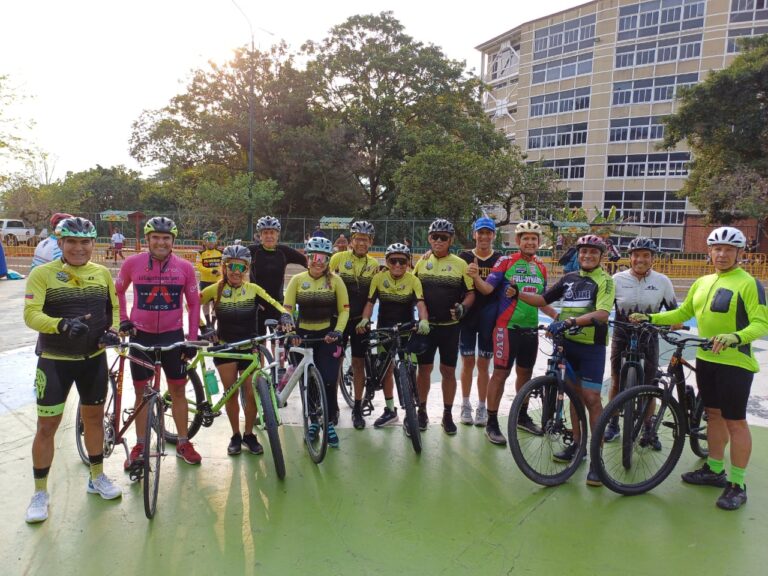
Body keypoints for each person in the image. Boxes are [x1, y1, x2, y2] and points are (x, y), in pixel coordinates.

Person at [630, 226, 768, 510]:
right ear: (709, 251)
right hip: (707, 358)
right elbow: (683, 313)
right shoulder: (702, 282)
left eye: (729, 249)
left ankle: (738, 483)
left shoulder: (749, 283)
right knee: (714, 417)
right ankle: (715, 470)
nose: (722, 254)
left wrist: (735, 337)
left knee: (735, 421)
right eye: (717, 248)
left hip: (735, 363)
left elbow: (761, 323)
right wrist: (651, 317)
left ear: (739, 253)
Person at [23, 217, 122, 523]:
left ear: (93, 244)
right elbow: (30, 314)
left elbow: (113, 309)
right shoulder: (43, 274)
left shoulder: (102, 272)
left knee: (93, 420)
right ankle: (40, 492)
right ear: (61, 243)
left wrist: (112, 331)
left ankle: (96, 477)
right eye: (72, 242)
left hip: (93, 360)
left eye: (85, 242)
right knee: (46, 427)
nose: (79, 248)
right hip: (55, 361)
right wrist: (61, 325)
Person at [510, 234, 615, 486]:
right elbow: (543, 300)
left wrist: (569, 321)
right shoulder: (568, 279)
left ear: (601, 256)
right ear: (578, 255)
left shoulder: (605, 280)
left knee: (591, 399)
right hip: (568, 344)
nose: (587, 256)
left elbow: (601, 313)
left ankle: (597, 461)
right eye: (583, 252)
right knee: (574, 396)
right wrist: (517, 294)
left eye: (593, 252)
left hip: (591, 347)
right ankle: (578, 448)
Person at [116, 216, 203, 467]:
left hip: (173, 336)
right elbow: (118, 290)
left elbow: (195, 303)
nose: (161, 242)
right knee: (141, 393)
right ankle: (140, 444)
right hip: (140, 336)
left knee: (177, 390)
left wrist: (192, 339)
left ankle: (184, 442)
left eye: (166, 238)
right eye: (156, 237)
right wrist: (123, 319)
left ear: (173, 240)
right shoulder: (133, 263)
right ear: (147, 240)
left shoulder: (185, 268)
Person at [200, 245, 294, 456]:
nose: (235, 271)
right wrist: (203, 327)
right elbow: (192, 303)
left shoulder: (253, 289)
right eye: (231, 266)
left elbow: (275, 303)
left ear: (247, 269)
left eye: (240, 268)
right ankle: (235, 435)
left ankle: (249, 434)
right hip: (225, 349)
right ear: (224, 267)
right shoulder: (215, 289)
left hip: (250, 349)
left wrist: (285, 315)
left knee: (251, 396)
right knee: (231, 395)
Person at [470, 221, 557, 446]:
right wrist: (475, 277)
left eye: (534, 239)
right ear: (518, 241)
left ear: (539, 243)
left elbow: (542, 301)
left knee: (525, 376)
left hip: (530, 329)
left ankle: (521, 416)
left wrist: (559, 318)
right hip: (506, 329)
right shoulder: (506, 261)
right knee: (500, 374)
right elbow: (488, 289)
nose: (530, 242)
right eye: (525, 238)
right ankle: (491, 422)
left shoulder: (541, 267)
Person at [604, 237, 678, 444]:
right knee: (616, 381)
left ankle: (648, 429)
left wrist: (674, 323)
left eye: (646, 255)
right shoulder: (616, 279)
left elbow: (674, 311)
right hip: (622, 334)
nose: (640, 259)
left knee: (650, 384)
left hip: (649, 336)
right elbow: (603, 307)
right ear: (630, 257)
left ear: (653, 258)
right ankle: (613, 424)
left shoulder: (662, 281)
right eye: (636, 255)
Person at [283, 236, 349, 447]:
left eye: (323, 258)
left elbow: (344, 311)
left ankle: (328, 423)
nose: (318, 261)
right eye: (314, 257)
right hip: (302, 337)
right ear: (308, 257)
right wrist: (291, 330)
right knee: (309, 382)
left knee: (329, 380)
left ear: (328, 260)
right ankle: (313, 422)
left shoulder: (336, 281)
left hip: (327, 337)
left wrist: (338, 332)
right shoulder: (297, 280)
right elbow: (288, 309)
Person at [357, 243, 430, 428]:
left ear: (408, 263)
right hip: (384, 329)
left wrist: (423, 320)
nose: (397, 265)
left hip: (406, 329)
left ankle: (413, 411)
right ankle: (390, 410)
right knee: (386, 370)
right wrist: (365, 318)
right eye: (393, 261)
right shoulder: (379, 278)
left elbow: (421, 304)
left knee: (410, 368)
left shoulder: (413, 280)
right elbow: (370, 302)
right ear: (387, 262)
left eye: (402, 261)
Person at [413, 218, 475, 435]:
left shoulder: (460, 264)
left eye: (443, 237)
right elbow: (412, 288)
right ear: (429, 238)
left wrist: (462, 308)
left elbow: (470, 293)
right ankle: (421, 411)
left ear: (451, 240)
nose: (438, 241)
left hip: (450, 328)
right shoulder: (422, 263)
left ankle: (447, 414)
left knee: (448, 371)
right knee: (424, 370)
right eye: (434, 237)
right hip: (426, 327)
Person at [329, 220, 380, 429]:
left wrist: (366, 319)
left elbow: (373, 296)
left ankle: (358, 408)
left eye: (365, 240)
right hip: (338, 319)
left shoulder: (374, 265)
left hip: (360, 321)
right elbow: (326, 284)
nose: (361, 243)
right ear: (351, 240)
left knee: (359, 364)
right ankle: (332, 406)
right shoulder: (338, 259)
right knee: (335, 363)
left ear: (371, 242)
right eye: (358, 238)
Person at [456, 217, 504, 427]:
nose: (484, 236)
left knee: (484, 364)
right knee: (467, 362)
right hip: (468, 316)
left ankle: (482, 406)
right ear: (474, 234)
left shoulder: (501, 259)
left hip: (489, 317)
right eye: (480, 232)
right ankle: (465, 404)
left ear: (494, 235)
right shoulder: (464, 256)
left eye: (488, 233)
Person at [247, 216, 307, 336]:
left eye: (272, 233)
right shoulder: (252, 251)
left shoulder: (283, 251)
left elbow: (307, 262)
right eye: (265, 233)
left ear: (277, 235)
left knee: (280, 341)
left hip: (278, 304)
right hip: (258, 305)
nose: (269, 236)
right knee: (259, 343)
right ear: (260, 235)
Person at [195, 231, 223, 326]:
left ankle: (213, 324)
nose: (211, 242)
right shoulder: (201, 253)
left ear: (216, 241)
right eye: (208, 239)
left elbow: (223, 265)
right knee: (205, 303)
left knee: (216, 304)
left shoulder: (221, 253)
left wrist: (219, 271)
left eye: (213, 239)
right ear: (204, 242)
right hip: (204, 282)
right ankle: (208, 322)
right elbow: (199, 266)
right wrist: (211, 271)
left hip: (217, 282)